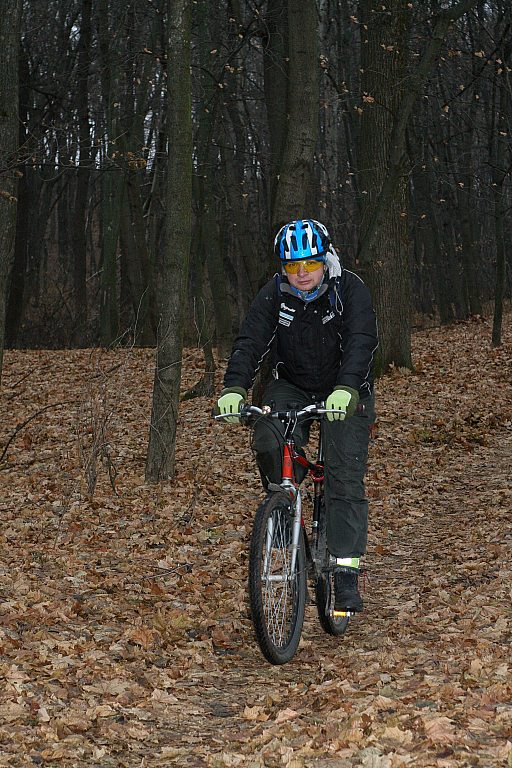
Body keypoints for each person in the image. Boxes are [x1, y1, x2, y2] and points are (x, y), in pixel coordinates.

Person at [216, 219, 378, 613]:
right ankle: (286, 504)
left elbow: (362, 341)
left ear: (325, 259)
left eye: (310, 263)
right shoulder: (275, 293)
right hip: (292, 384)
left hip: (346, 387)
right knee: (268, 438)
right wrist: (234, 388)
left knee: (343, 473)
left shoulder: (349, 289)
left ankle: (344, 572)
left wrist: (348, 387)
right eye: (292, 265)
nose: (301, 272)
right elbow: (250, 341)